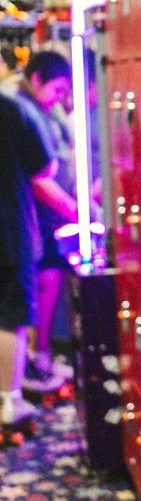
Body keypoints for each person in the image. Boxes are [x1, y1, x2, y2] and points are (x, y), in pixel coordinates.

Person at [14, 50, 78, 391]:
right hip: (35, 216)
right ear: (37, 78)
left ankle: (39, 358)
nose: (60, 97)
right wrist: (74, 209)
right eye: (57, 88)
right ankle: (27, 367)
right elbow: (39, 176)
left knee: (48, 281)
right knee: (31, 290)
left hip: (49, 217)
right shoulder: (20, 109)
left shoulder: (39, 110)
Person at [0, 90, 55, 430]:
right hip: (8, 228)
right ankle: (8, 401)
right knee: (9, 316)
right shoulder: (11, 109)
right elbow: (44, 167)